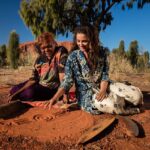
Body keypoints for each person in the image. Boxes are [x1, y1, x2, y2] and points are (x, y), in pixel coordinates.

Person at [44, 26, 143, 115]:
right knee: (112, 105)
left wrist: (103, 90)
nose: (81, 44)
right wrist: (55, 98)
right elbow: (67, 81)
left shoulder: (102, 52)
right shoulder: (73, 57)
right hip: (87, 95)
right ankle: (127, 108)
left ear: (92, 40)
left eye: (84, 41)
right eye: (78, 41)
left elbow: (104, 75)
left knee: (137, 96)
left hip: (105, 86)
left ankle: (120, 100)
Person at [9, 32, 68, 102]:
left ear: (55, 43)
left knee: (30, 93)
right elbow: (33, 80)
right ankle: (18, 94)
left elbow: (63, 76)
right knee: (14, 90)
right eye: (43, 48)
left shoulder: (60, 52)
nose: (46, 50)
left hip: (51, 89)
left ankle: (57, 95)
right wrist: (16, 93)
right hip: (39, 83)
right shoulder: (39, 60)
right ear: (40, 48)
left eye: (49, 46)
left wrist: (65, 95)